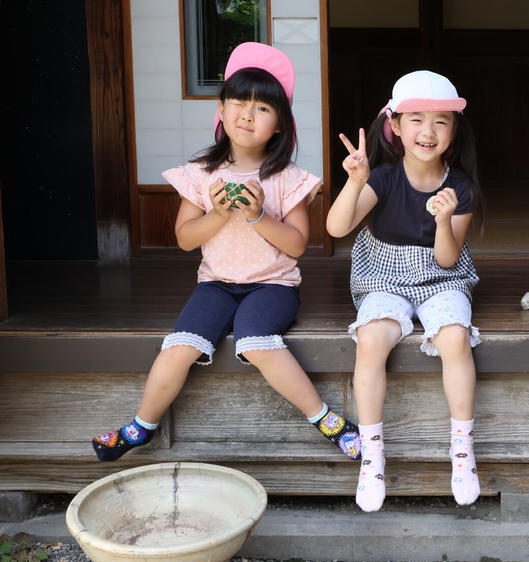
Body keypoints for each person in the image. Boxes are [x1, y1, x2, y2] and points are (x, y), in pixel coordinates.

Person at [91, 42, 361, 463]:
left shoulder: (287, 177)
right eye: (238, 103)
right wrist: (217, 213)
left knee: (256, 341)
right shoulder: (201, 172)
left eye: (263, 109)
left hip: (272, 285)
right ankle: (141, 426)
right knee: (178, 347)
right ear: (220, 110)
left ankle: (326, 419)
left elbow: (296, 245)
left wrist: (258, 215)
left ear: (280, 125)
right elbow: (184, 239)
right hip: (215, 284)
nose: (248, 115)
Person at [326, 70, 485, 513]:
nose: (427, 131)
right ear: (394, 126)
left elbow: (449, 259)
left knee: (454, 336)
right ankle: (373, 454)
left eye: (440, 121)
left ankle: (461, 449)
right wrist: (356, 180)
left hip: (442, 277)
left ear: (453, 131)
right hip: (382, 276)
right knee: (372, 338)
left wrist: (442, 220)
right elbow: (336, 228)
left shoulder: (461, 186)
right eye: (415, 119)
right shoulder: (382, 177)